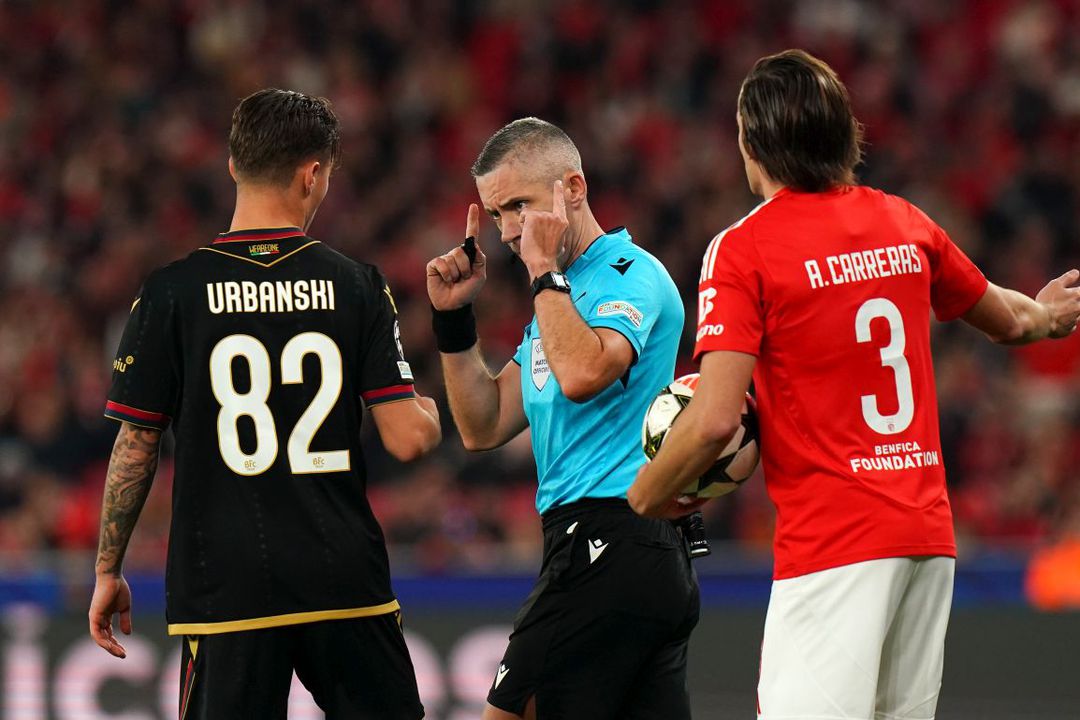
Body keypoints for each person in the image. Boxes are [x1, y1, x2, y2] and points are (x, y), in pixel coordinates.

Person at [628, 49, 1080, 719]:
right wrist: (1049, 315)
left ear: (753, 143)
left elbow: (716, 418)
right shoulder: (904, 222)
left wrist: (643, 495)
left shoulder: (744, 249)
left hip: (833, 543)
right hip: (926, 539)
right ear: (846, 134)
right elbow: (1011, 319)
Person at [88, 88, 441, 719]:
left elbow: (136, 443)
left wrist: (107, 570)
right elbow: (408, 439)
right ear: (312, 175)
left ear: (233, 165)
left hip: (226, 587)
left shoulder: (172, 292)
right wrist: (431, 416)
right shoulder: (356, 284)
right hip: (342, 580)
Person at [426, 117, 699, 720]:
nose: (507, 231)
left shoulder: (630, 273)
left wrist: (544, 273)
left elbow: (582, 374)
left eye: (518, 206)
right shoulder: (559, 296)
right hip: (609, 550)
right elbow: (484, 424)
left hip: (612, 537)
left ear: (573, 188)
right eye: (496, 214)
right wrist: (453, 320)